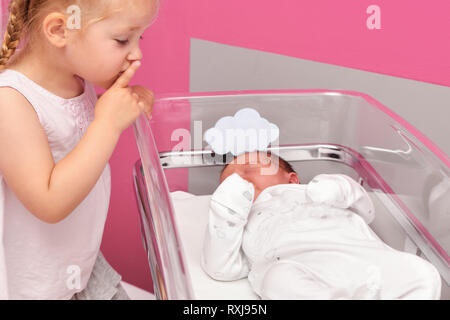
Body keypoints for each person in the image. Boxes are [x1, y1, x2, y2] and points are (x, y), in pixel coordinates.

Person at [0, 0, 158, 299]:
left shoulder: (72, 77)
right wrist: (107, 125)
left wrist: (114, 104)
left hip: (78, 260)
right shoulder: (9, 101)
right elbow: (48, 202)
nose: (136, 55)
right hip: (35, 281)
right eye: (123, 40)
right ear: (60, 30)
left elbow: (65, 123)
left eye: (140, 38)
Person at [201, 152, 442, 299]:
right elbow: (221, 268)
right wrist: (226, 215)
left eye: (250, 168)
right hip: (299, 266)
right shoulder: (242, 226)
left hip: (359, 256)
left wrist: (339, 187)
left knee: (422, 273)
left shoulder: (314, 191)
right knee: (277, 280)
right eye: (229, 182)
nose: (240, 178)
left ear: (292, 179)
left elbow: (366, 209)